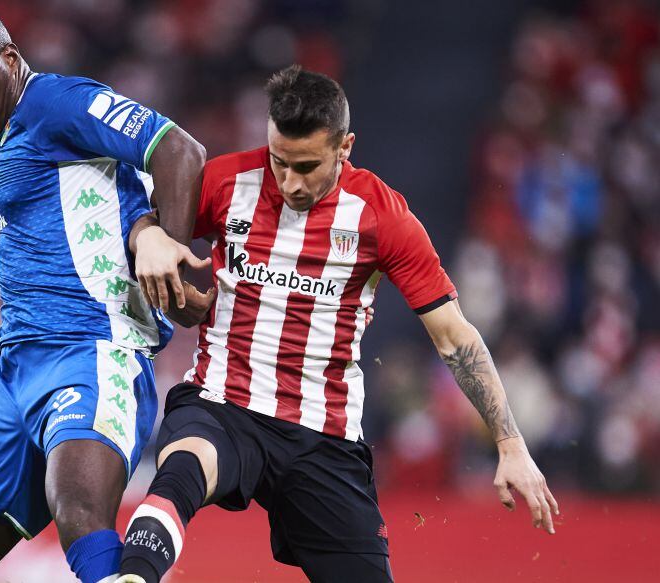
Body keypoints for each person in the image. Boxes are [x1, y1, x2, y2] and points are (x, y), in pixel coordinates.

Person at [116, 66, 559, 583]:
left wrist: (509, 443)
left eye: (306, 166)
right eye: (279, 162)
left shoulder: (381, 216)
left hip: (322, 435)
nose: (289, 182)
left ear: (345, 147)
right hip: (223, 403)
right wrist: (145, 233)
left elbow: (454, 336)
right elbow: (134, 216)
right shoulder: (226, 181)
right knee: (183, 468)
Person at [0, 4, 210, 583]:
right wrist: (142, 231)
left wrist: (168, 252)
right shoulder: (26, 139)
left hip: (89, 356)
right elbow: (110, 201)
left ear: (10, 59)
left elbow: (177, 149)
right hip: (13, 376)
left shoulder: (52, 102)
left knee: (78, 512)